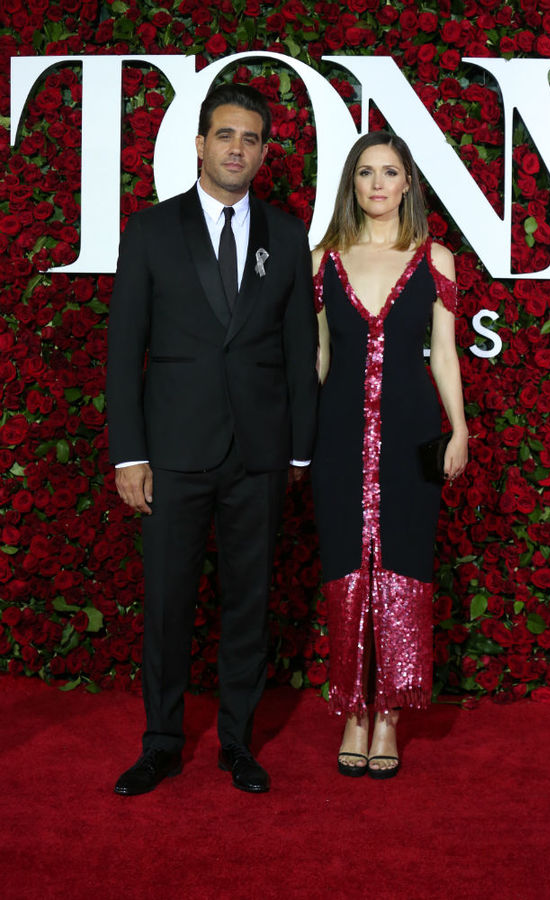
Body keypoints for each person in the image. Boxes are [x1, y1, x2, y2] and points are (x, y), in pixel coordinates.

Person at [106, 83, 318, 796]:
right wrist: (129, 453)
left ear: (263, 152)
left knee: (248, 604)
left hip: (259, 456)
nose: (237, 148)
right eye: (225, 135)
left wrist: (298, 451)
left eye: (251, 138)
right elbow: (123, 349)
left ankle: (238, 743)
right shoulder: (151, 231)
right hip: (172, 453)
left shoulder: (287, 237)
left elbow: (296, 351)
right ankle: (162, 741)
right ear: (199, 143)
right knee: (166, 604)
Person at [311, 131, 468, 779]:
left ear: (408, 184)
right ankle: (353, 708)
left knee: (403, 564)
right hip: (337, 439)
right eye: (366, 173)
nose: (378, 184)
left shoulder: (436, 259)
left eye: (390, 172)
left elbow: (446, 353)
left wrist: (459, 429)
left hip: (410, 434)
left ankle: (390, 718)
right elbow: (317, 358)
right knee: (346, 563)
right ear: (352, 184)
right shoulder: (323, 257)